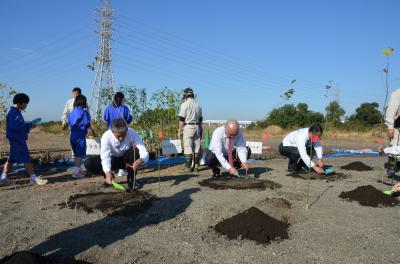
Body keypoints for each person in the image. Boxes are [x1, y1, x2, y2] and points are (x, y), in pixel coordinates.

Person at [84, 118, 149, 189]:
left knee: (135, 151)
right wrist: (107, 172)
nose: (121, 138)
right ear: (112, 132)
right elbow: (105, 156)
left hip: (127, 161)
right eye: (118, 136)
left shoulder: (132, 133)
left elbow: (143, 150)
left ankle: (131, 179)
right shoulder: (106, 136)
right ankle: (108, 178)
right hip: (112, 160)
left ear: (127, 130)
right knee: (88, 163)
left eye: (123, 135)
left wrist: (142, 160)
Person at [0, 93, 48, 185]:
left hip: (15, 139)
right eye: (25, 104)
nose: (26, 106)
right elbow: (14, 127)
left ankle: (3, 177)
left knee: (11, 160)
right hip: (18, 139)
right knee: (26, 158)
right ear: (19, 103)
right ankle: (33, 177)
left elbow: (18, 125)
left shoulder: (15, 112)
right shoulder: (13, 113)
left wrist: (29, 125)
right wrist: (27, 127)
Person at [68, 95, 96, 179]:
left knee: (76, 154)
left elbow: (69, 122)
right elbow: (87, 124)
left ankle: (78, 170)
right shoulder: (84, 112)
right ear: (83, 102)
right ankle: (77, 173)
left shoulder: (72, 112)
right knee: (80, 154)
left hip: (72, 134)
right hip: (80, 135)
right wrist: (92, 131)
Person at [178, 88, 203, 172]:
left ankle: (188, 167)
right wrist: (200, 128)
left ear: (185, 95)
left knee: (188, 146)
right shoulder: (198, 105)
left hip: (188, 126)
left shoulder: (184, 104)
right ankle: (196, 166)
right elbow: (200, 119)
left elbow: (181, 119)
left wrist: (179, 130)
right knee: (197, 146)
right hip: (197, 127)